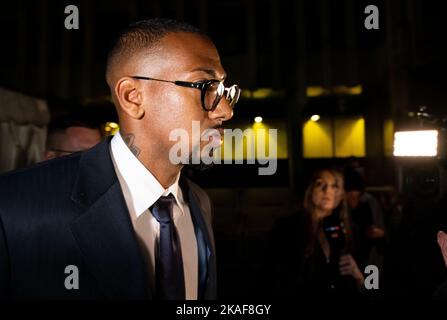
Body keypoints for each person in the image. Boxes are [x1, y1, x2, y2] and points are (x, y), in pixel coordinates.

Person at [0, 18, 238, 299]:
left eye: (224, 90)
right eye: (204, 86)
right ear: (132, 97)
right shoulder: (14, 204)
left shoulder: (198, 202)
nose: (225, 110)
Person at [272, 168, 365, 299]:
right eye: (320, 184)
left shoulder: (352, 231)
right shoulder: (286, 227)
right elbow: (271, 277)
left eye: (335, 186)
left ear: (342, 195)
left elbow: (373, 284)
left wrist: (359, 275)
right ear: (310, 190)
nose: (327, 190)